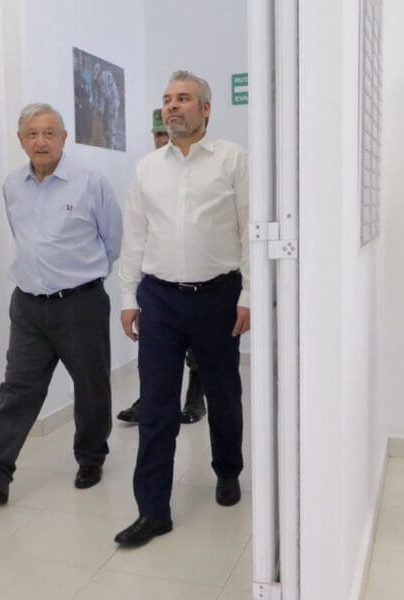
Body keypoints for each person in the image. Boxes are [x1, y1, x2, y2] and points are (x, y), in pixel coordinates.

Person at [114, 71, 249, 547]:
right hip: (160, 299)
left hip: (218, 296)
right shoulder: (147, 168)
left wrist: (249, 296)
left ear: (205, 109)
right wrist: (128, 298)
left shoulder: (233, 159)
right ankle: (153, 510)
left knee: (223, 393)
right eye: (168, 99)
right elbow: (135, 236)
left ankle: (227, 470)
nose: (172, 106)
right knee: (156, 404)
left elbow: (249, 230)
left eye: (184, 99)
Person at [0, 103, 122, 504]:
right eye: (32, 134)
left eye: (49, 133)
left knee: (90, 385)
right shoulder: (12, 185)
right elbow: (23, 238)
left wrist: (82, 279)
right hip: (28, 305)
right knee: (17, 388)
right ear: (20, 140)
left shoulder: (90, 182)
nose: (41, 141)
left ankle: (91, 458)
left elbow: (113, 240)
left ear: (64, 138)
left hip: (80, 303)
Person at [116, 107, 206, 425]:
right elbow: (136, 233)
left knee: (197, 348)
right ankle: (148, 400)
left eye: (164, 132)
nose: (162, 139)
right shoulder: (147, 171)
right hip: (157, 282)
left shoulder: (204, 167)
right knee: (155, 354)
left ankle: (195, 396)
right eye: (157, 134)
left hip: (200, 280)